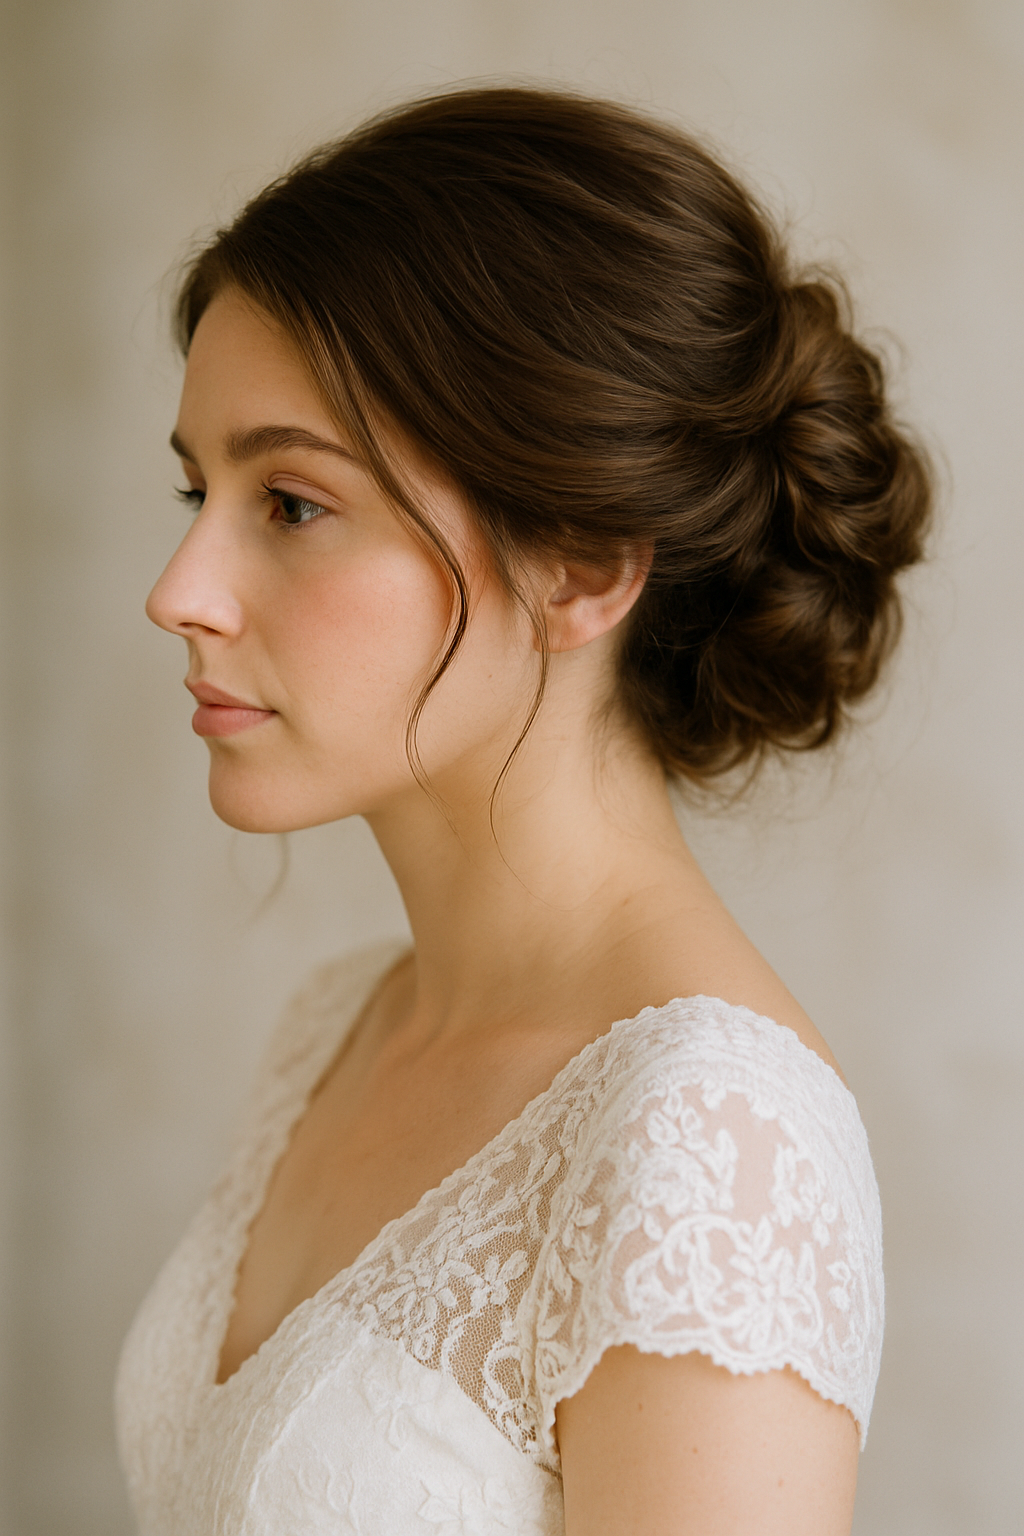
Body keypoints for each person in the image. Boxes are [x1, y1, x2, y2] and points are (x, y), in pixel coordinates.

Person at [116, 87, 931, 1535]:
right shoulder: (338, 1025)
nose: (180, 591)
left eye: (291, 503)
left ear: (583, 567)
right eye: (195, 491)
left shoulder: (715, 1141)